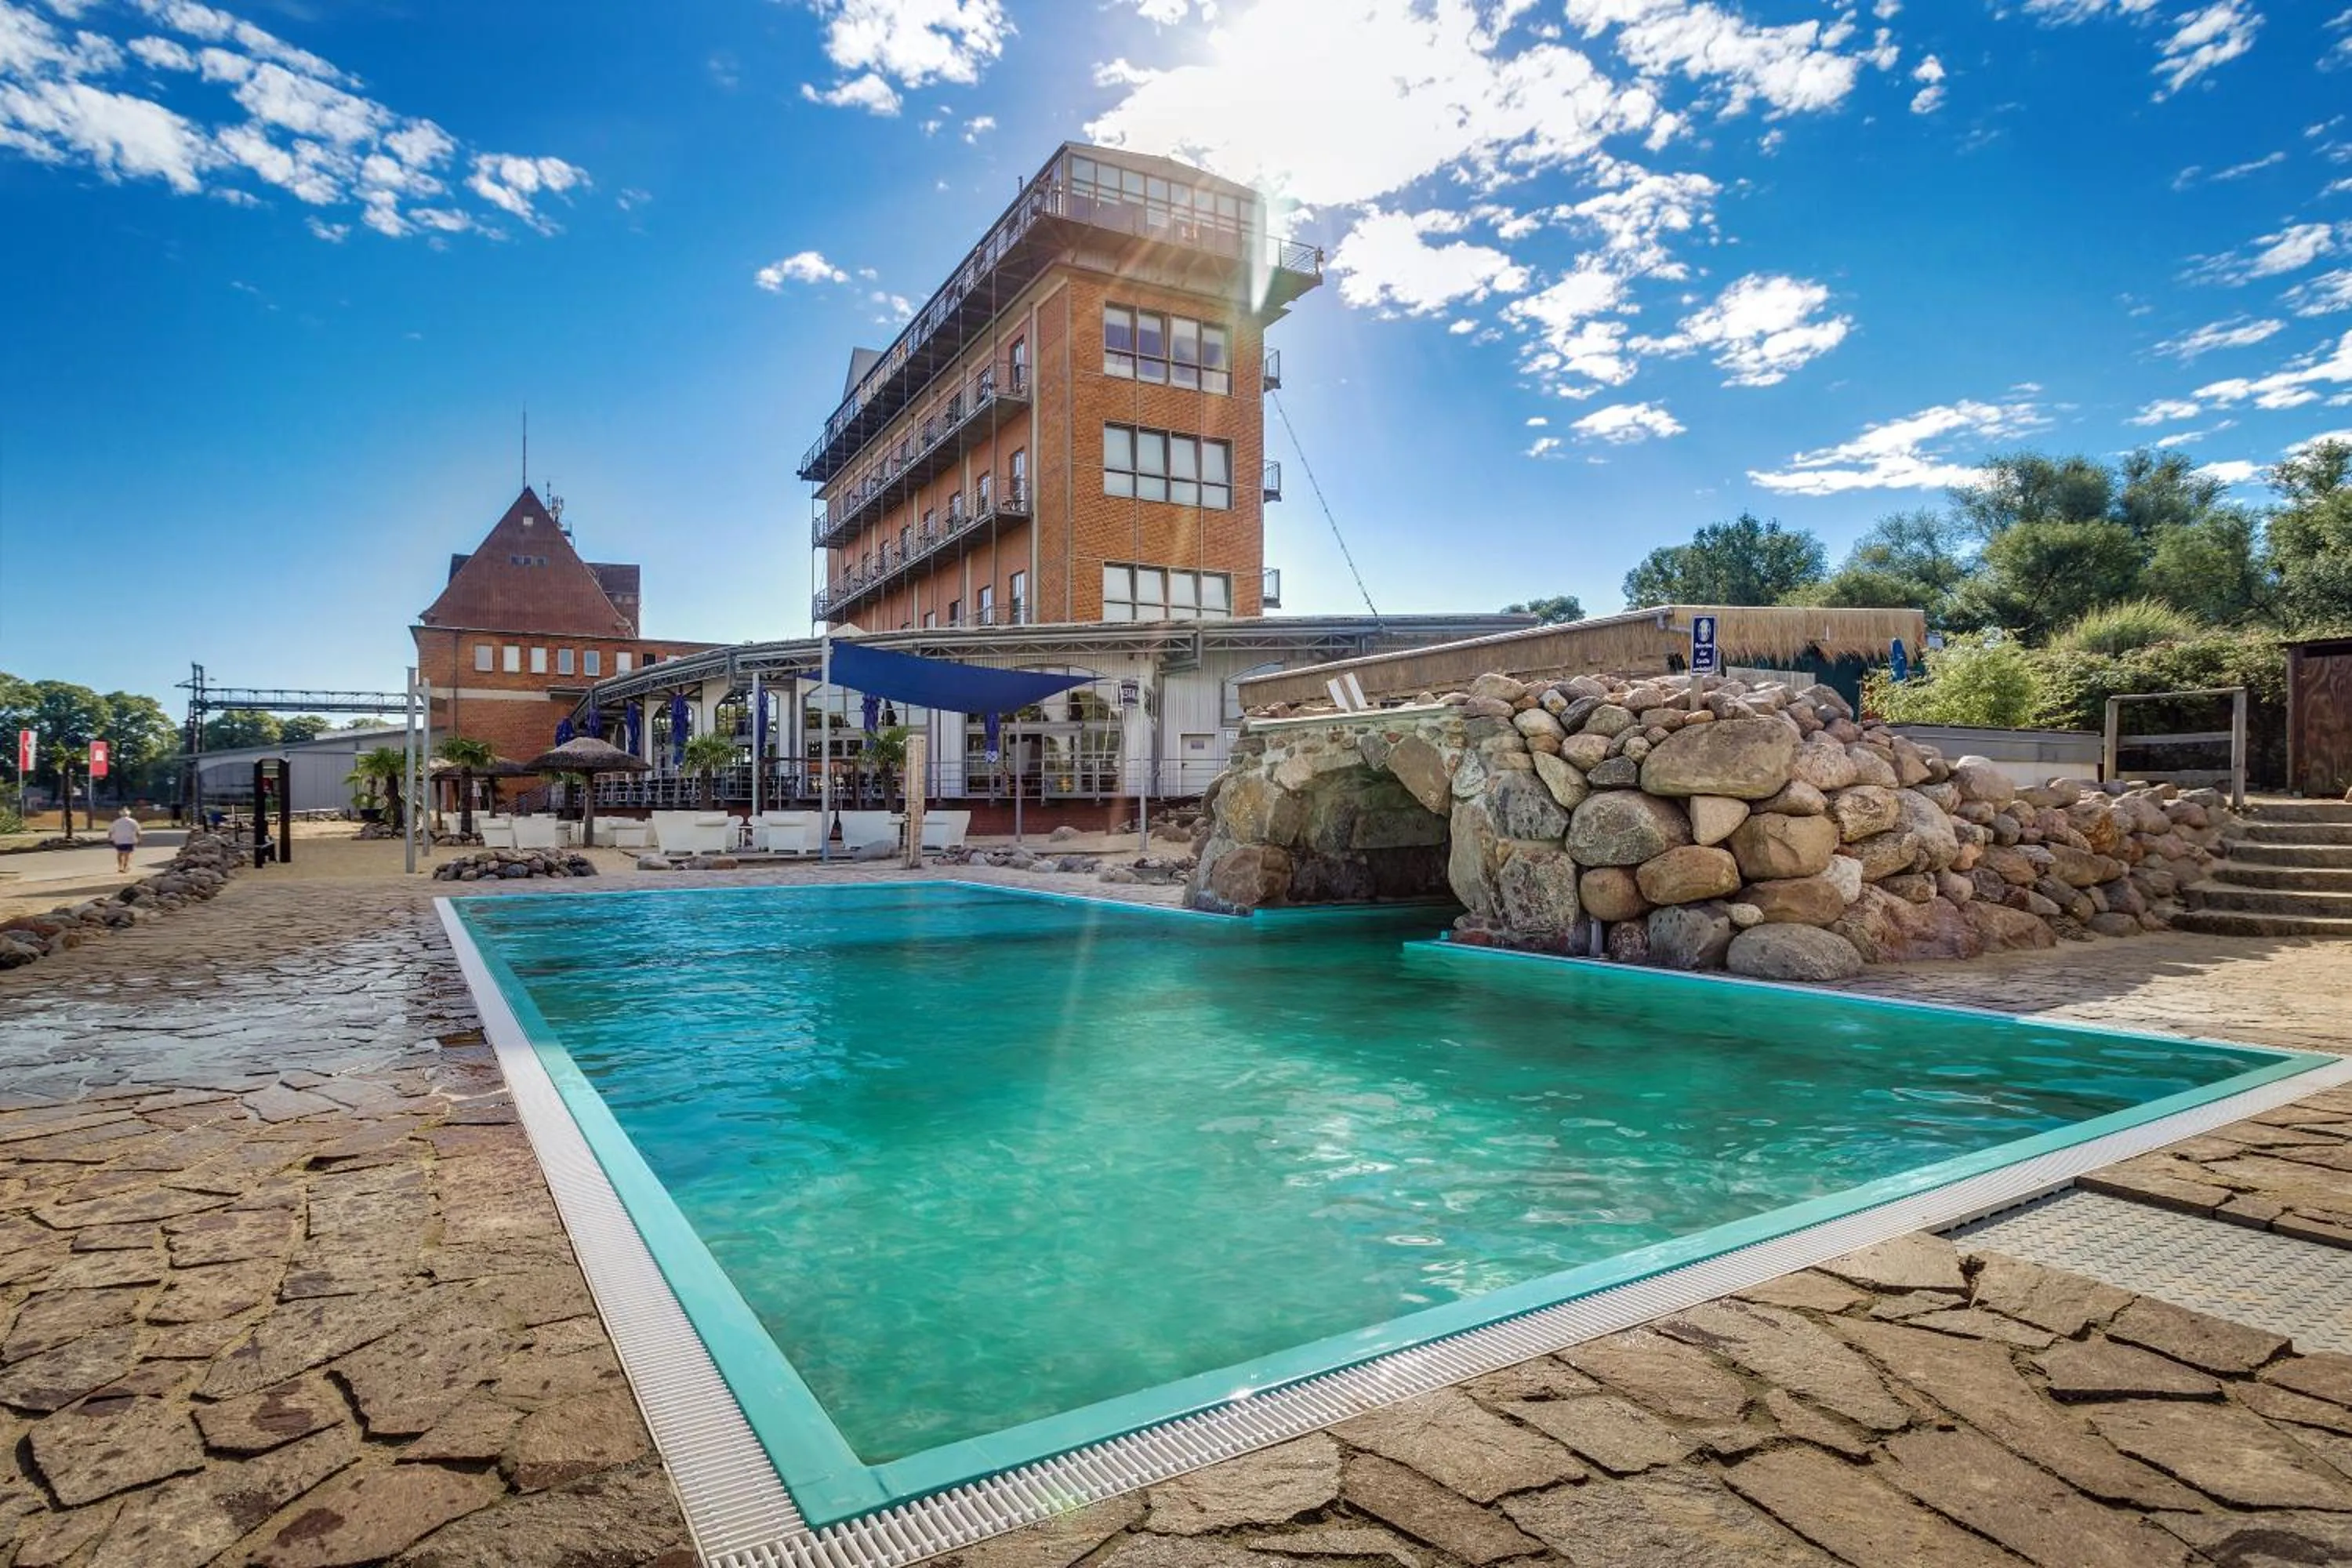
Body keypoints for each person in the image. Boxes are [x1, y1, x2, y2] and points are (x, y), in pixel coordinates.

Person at [108, 808, 142, 873]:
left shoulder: (116, 821)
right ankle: (125, 867)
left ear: (120, 815)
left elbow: (110, 832)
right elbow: (138, 831)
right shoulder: (133, 821)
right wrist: (139, 839)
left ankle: (120, 867)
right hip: (129, 840)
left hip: (118, 840)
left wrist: (110, 839)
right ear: (129, 814)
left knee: (120, 853)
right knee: (127, 854)